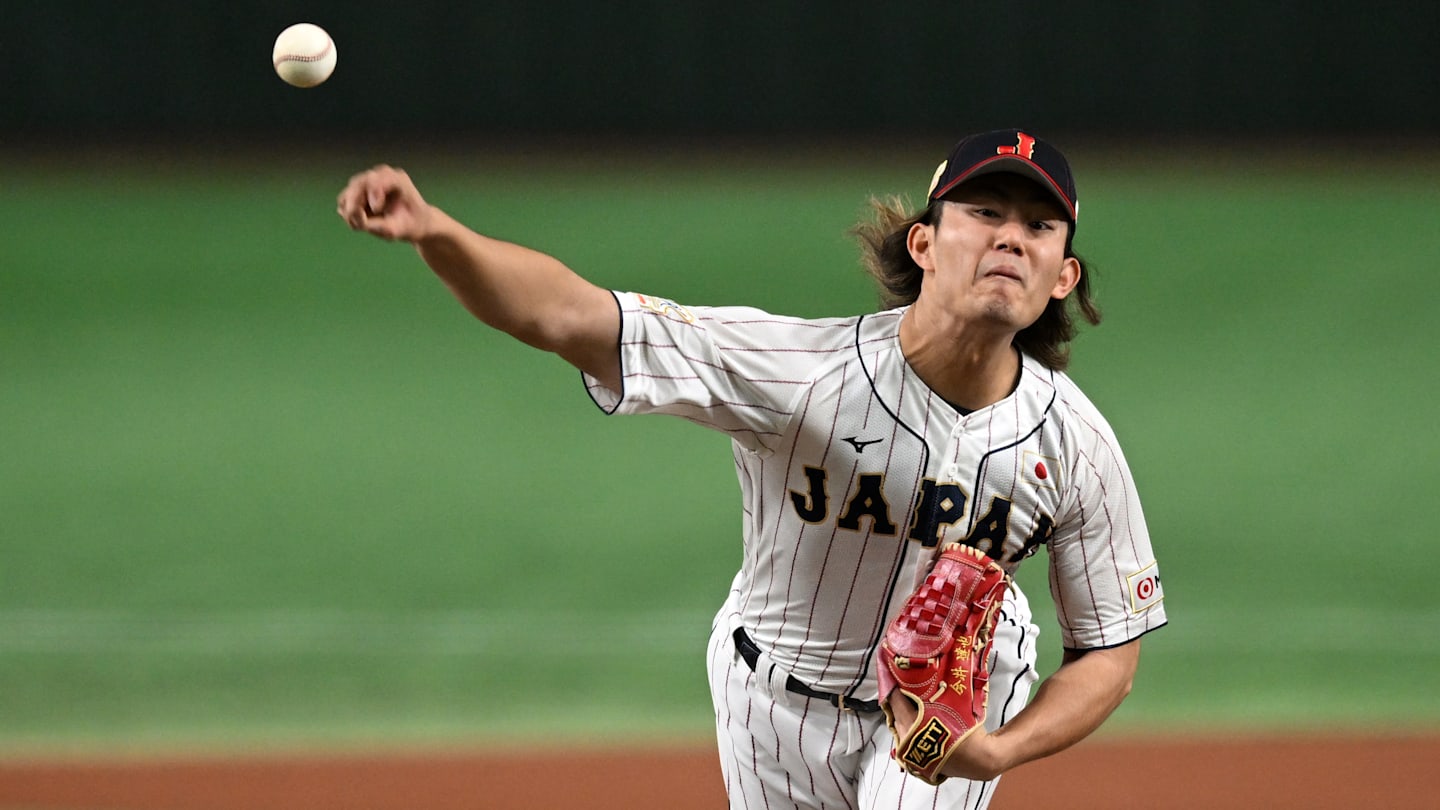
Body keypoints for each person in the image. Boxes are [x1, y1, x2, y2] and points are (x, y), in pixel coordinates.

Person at [336, 128, 1167, 809]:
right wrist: (437, 233)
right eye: (984, 212)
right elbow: (568, 315)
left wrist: (998, 751)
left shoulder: (1075, 446)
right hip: (771, 697)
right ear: (924, 244)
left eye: (1038, 227)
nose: (1010, 237)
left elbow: (1109, 653)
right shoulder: (800, 374)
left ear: (1063, 276)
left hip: (942, 706)